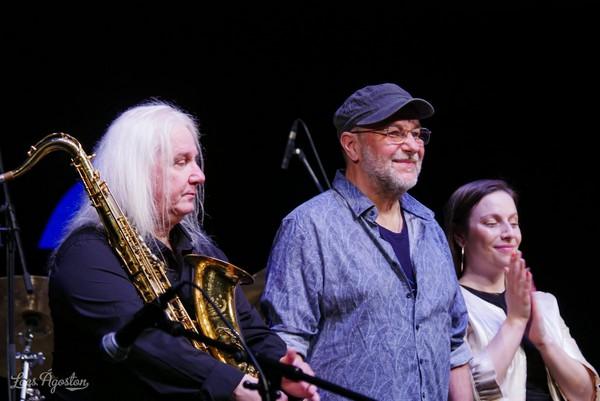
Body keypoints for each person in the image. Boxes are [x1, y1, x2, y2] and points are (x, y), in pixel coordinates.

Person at [47, 101, 319, 401]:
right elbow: (143, 344)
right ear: (137, 171)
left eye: (195, 161)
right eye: (181, 162)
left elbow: (246, 330)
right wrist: (234, 385)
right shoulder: (85, 254)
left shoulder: (201, 250)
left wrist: (282, 366)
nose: (199, 176)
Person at [261, 83, 473, 401]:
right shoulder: (308, 227)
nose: (412, 146)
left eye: (417, 134)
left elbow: (454, 344)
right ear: (352, 146)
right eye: (394, 133)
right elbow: (287, 344)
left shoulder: (429, 227)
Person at [444, 179, 600, 400]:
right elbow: (466, 395)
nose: (509, 233)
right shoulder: (451, 304)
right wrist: (515, 322)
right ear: (460, 236)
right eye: (491, 223)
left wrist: (544, 342)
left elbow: (586, 395)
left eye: (514, 222)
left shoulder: (544, 303)